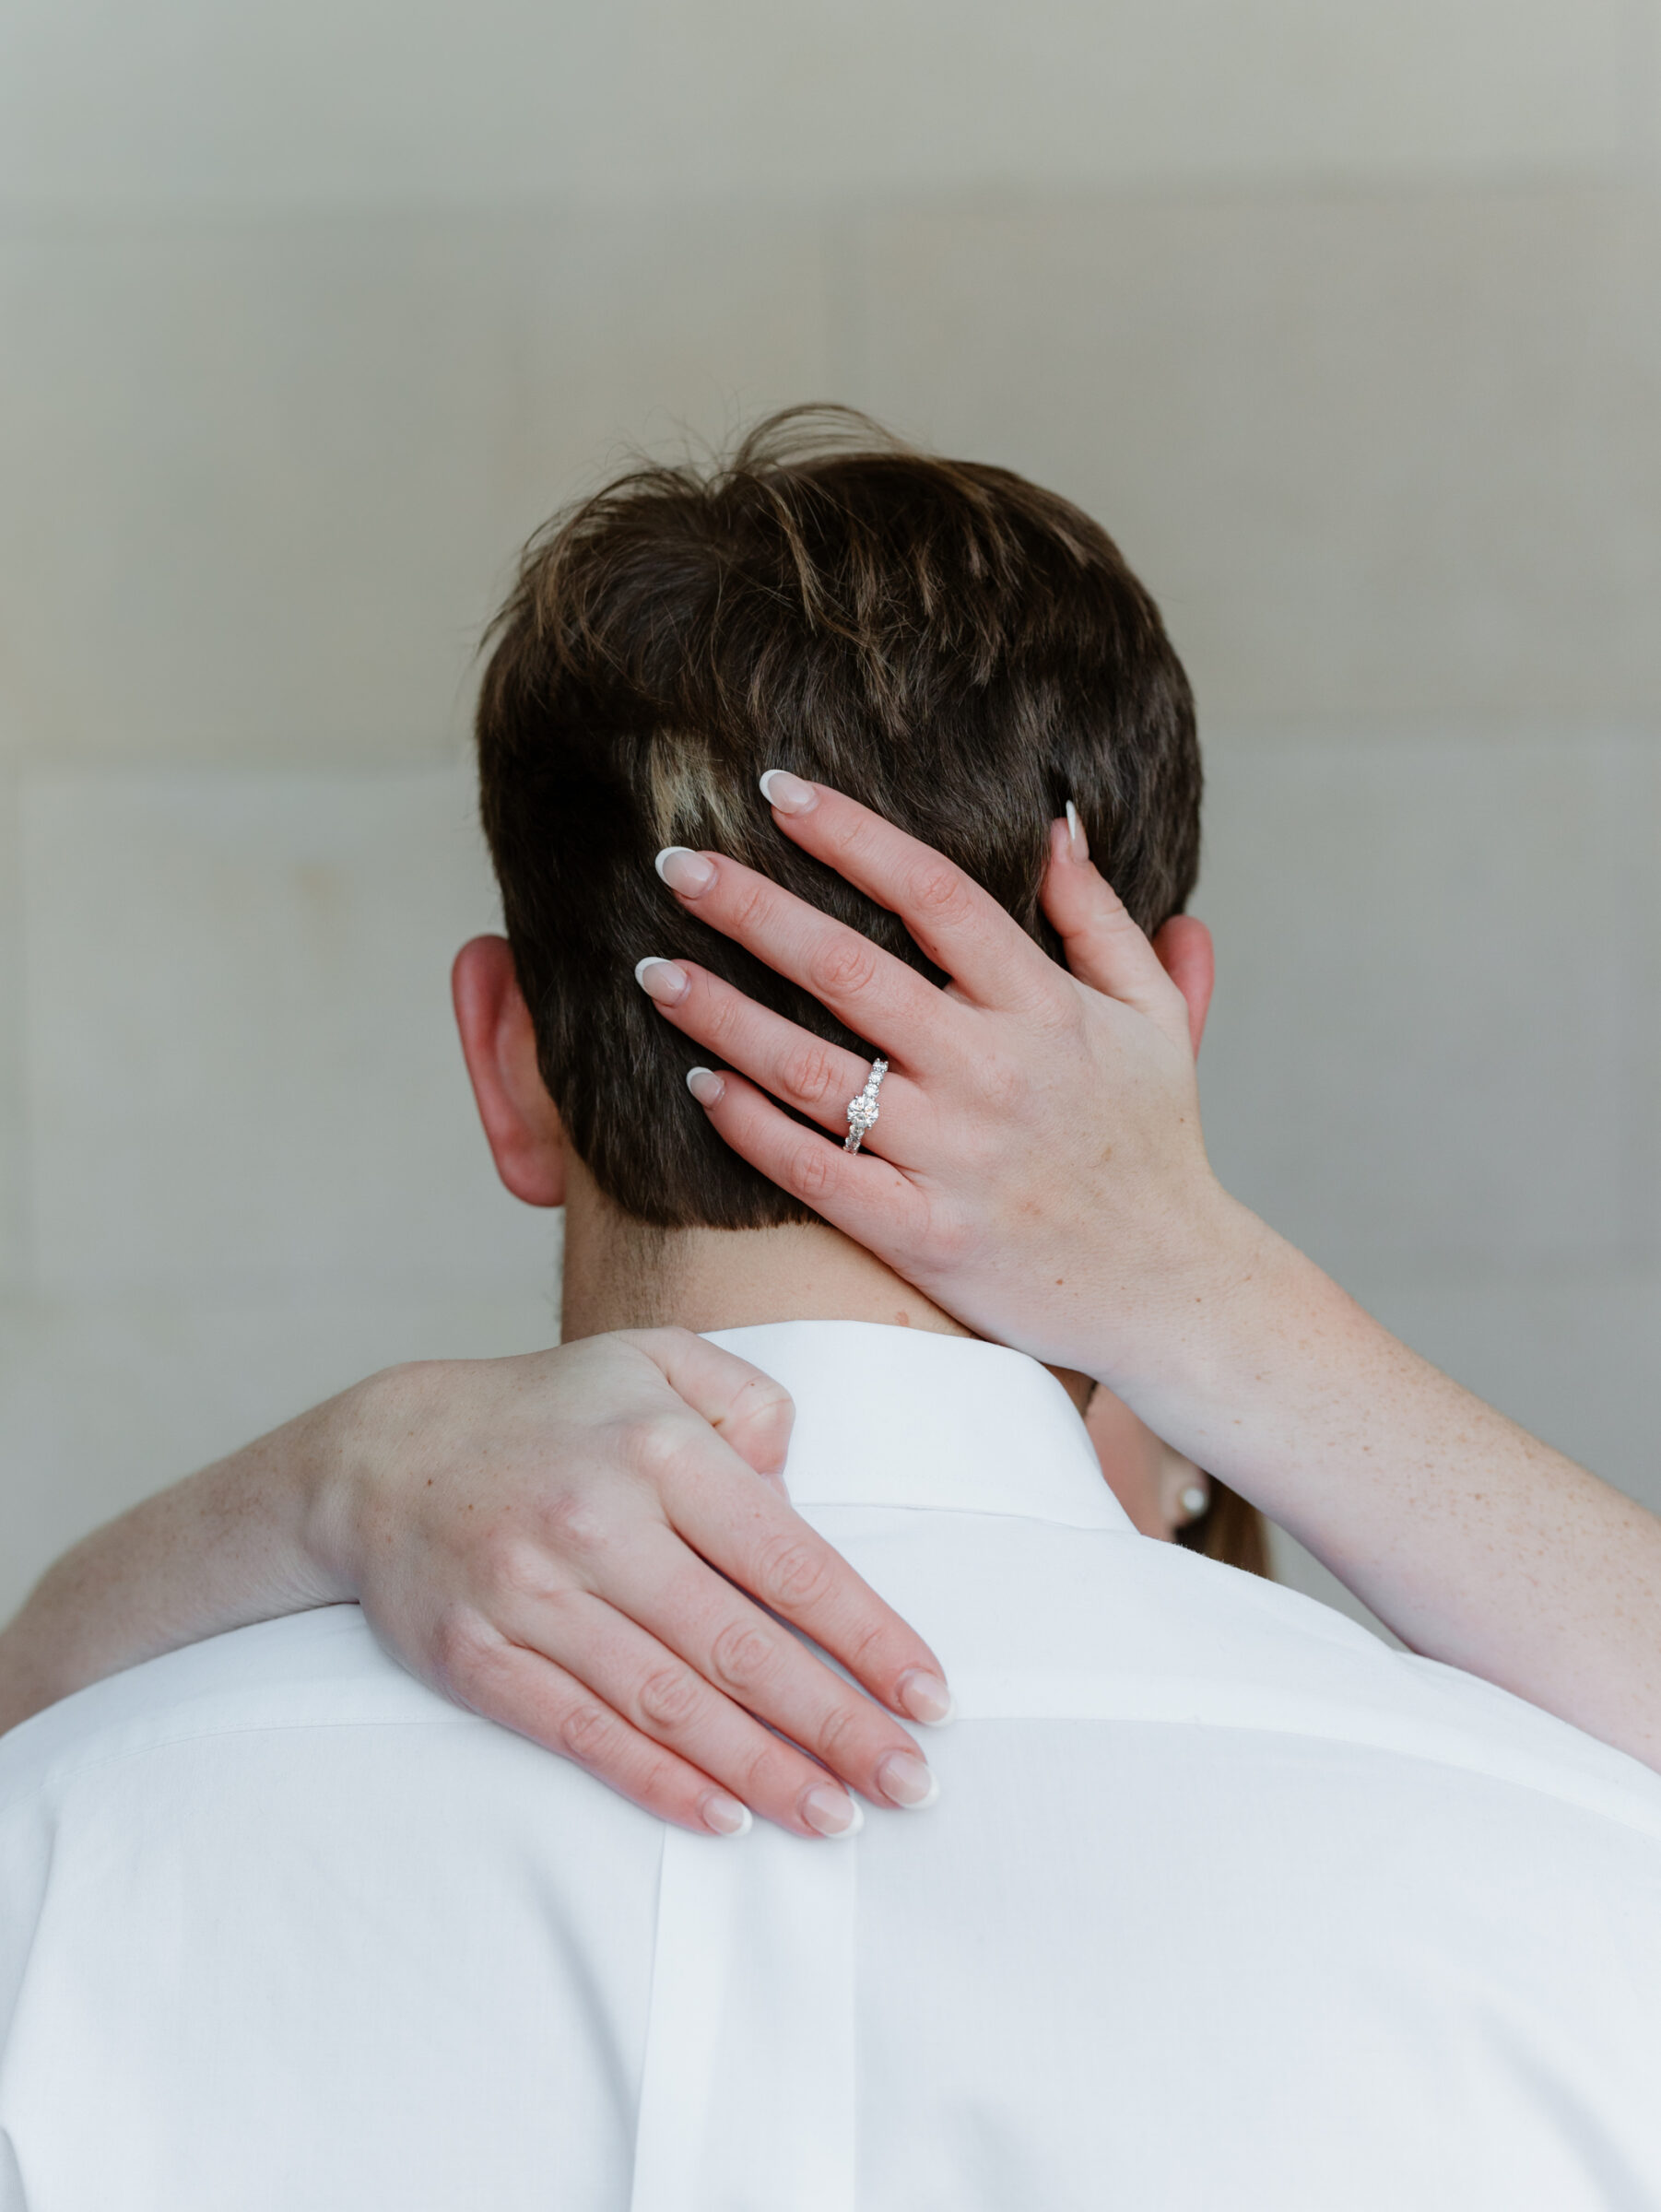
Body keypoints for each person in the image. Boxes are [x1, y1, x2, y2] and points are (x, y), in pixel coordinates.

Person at [4, 413, 1658, 2209]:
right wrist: (1201, 1281)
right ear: (1168, 1021)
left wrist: (315, 1483)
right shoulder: (1577, 1893)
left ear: (505, 1057)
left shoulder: (66, 1857)